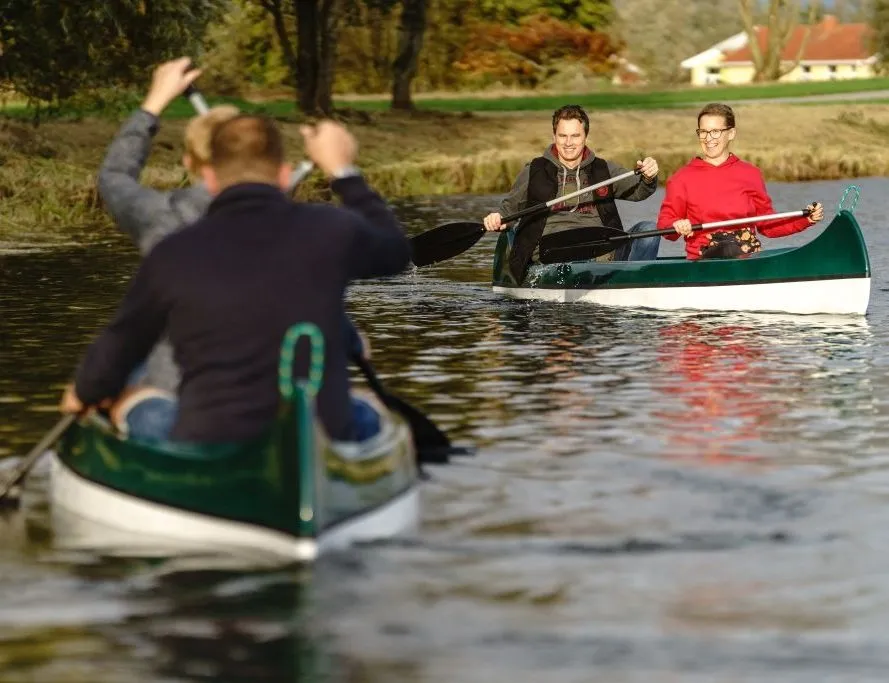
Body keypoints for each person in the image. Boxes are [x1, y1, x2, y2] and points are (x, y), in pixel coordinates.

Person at [60, 113, 412, 445]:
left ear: (210, 179)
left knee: (135, 398)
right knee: (368, 402)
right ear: (284, 176)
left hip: (209, 437)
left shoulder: (173, 253)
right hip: (320, 430)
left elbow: (122, 345)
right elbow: (396, 252)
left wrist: (86, 392)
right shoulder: (333, 229)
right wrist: (343, 172)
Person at [96, 57, 372, 439]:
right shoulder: (299, 226)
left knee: (128, 387)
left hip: (188, 399)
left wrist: (153, 104)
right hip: (280, 397)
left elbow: (113, 177)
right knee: (361, 392)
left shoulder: (160, 216)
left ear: (191, 162)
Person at [482, 104, 660, 283]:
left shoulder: (604, 169)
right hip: (554, 254)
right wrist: (497, 219)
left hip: (603, 253)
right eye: (563, 136)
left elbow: (639, 191)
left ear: (585, 137)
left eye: (575, 136)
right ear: (554, 136)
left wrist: (648, 176)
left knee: (648, 230)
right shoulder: (533, 171)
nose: (568, 143)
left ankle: (633, 283)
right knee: (569, 250)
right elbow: (508, 211)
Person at [656, 102, 824, 260]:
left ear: (731, 133)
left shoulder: (750, 174)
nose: (708, 138)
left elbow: (767, 225)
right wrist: (676, 224)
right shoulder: (681, 178)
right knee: (728, 249)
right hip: (704, 260)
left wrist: (806, 219)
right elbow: (666, 226)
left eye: (715, 131)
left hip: (747, 258)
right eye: (703, 132)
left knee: (736, 251)